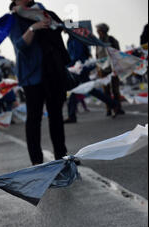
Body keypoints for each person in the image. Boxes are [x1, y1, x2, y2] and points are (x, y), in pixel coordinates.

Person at [8, 0, 69, 165]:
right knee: (34, 118)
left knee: (56, 116)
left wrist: (76, 26)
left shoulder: (43, 12)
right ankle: (37, 162)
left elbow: (63, 25)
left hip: (53, 72)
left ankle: (62, 156)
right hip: (32, 75)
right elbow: (20, 45)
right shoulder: (14, 18)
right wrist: (33, 28)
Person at [64, 35, 120, 123]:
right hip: (78, 68)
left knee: (76, 90)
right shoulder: (73, 39)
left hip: (80, 68)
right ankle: (113, 104)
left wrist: (69, 66)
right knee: (84, 90)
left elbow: (77, 56)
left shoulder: (75, 39)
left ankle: (72, 116)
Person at [96, 23, 125, 117]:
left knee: (115, 90)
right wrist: (98, 68)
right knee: (106, 91)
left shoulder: (112, 40)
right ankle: (109, 109)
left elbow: (118, 53)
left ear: (102, 31)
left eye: (98, 30)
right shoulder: (97, 42)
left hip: (113, 68)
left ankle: (118, 108)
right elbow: (97, 56)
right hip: (103, 70)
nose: (97, 32)